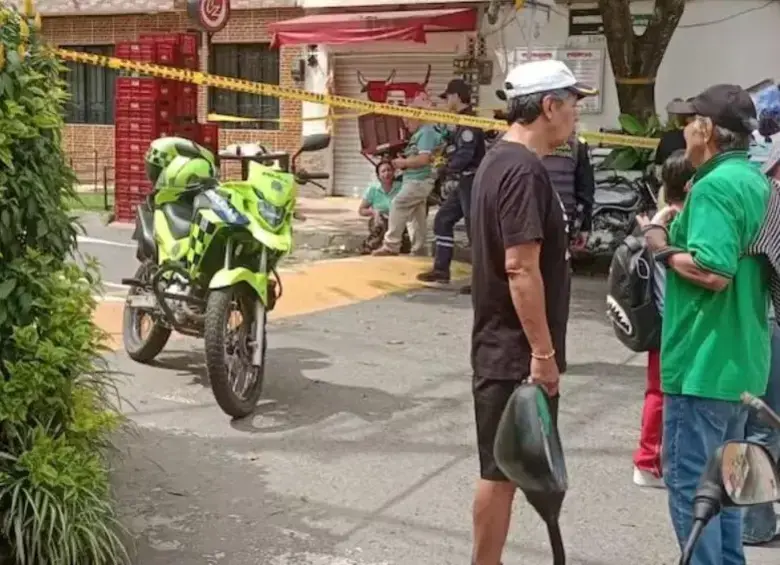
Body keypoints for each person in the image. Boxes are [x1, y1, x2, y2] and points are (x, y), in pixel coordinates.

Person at [469, 58, 596, 565]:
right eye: (572, 105)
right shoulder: (520, 170)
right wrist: (542, 353)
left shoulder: (503, 161)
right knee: (500, 474)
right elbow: (521, 268)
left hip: (504, 349)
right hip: (514, 355)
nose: (576, 118)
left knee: (504, 472)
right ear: (549, 106)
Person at [639, 84, 771, 565]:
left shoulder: (715, 186)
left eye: (688, 121)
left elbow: (714, 272)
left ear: (707, 130)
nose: (683, 131)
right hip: (742, 362)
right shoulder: (753, 179)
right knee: (729, 489)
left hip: (702, 364)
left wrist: (658, 241)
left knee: (694, 489)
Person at [633, 150, 694, 489]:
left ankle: (657, 460)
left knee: (663, 394)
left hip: (664, 322)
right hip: (671, 324)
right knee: (661, 394)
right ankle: (648, 462)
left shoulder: (660, 219)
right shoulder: (675, 222)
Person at [741, 148, 780, 545]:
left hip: (755, 319)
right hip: (767, 319)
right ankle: (755, 521)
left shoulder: (748, 187)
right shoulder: (770, 195)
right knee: (763, 424)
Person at [417, 79, 486, 291]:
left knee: (476, 232)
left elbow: (465, 155)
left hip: (473, 181)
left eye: (448, 97)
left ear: (457, 96)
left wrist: (444, 168)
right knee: (443, 220)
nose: (447, 102)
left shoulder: (468, 123)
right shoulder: (460, 122)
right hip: (464, 181)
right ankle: (441, 270)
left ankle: (482, 283)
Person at [372, 95, 440, 256]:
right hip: (415, 180)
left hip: (420, 180)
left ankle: (391, 245)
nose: (406, 124)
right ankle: (419, 250)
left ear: (418, 117)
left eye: (408, 120)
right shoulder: (419, 135)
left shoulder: (426, 133)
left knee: (398, 204)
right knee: (416, 217)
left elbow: (424, 159)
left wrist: (404, 163)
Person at [542, 131, 595, 249]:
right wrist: (585, 227)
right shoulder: (577, 144)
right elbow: (585, 190)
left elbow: (585, 189)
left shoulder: (578, 145)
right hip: (548, 224)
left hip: (559, 227)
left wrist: (584, 226)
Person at [358, 160, 411, 255]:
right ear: (378, 175)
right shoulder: (373, 189)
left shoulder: (401, 187)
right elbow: (361, 210)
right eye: (383, 171)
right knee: (380, 222)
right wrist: (375, 212)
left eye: (389, 170)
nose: (387, 173)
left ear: (394, 172)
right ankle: (370, 246)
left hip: (398, 220)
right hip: (380, 221)